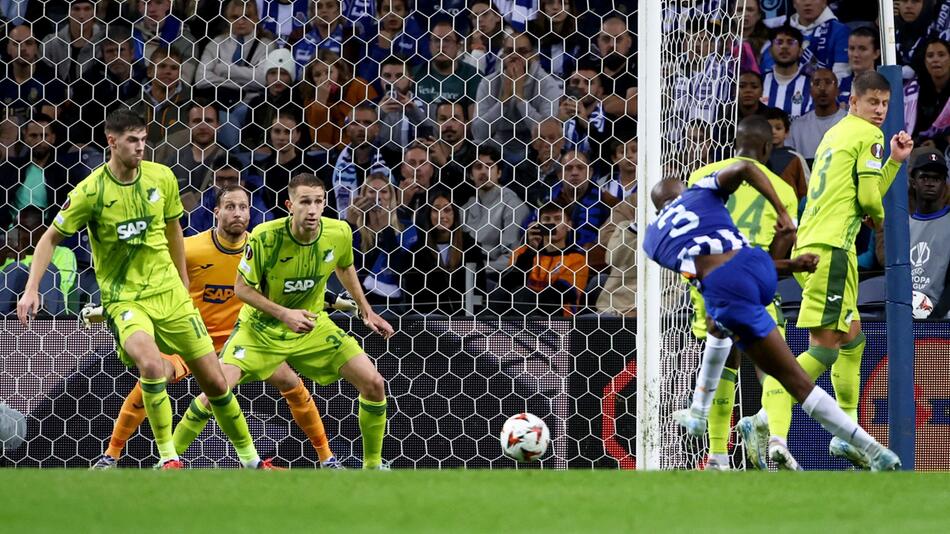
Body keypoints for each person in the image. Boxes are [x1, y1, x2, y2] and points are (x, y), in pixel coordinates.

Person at [16, 109, 268, 470]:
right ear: (112, 141)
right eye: (132, 140)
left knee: (215, 382)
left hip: (170, 295)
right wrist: (31, 289)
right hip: (125, 298)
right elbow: (49, 238)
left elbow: (173, 231)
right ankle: (168, 458)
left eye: (144, 139)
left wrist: (182, 279)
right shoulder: (91, 191)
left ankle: (251, 461)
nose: (140, 147)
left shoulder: (162, 177)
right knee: (151, 366)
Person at [643, 134, 901, 473]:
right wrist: (783, 216)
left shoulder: (652, 238)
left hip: (724, 286)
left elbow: (708, 273)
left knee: (772, 363)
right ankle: (700, 417)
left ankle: (702, 418)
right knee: (738, 339)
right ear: (682, 191)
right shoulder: (699, 192)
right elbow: (745, 168)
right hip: (758, 265)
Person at [91, 184, 347, 469]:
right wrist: (106, 309)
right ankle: (111, 456)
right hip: (188, 339)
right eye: (230, 207)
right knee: (151, 379)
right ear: (216, 212)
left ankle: (327, 458)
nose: (238, 213)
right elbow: (150, 284)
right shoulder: (190, 249)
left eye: (243, 207)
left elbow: (290, 286)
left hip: (240, 341)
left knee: (291, 382)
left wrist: (337, 302)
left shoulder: (262, 247)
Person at [173, 173, 395, 469]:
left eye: (318, 202)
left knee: (374, 383)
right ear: (290, 205)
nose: (313, 209)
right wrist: (284, 314)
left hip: (312, 326)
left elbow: (344, 266)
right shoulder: (265, 236)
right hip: (260, 329)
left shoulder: (339, 231)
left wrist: (366, 310)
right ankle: (167, 460)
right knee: (215, 390)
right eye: (305, 202)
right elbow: (241, 288)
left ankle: (372, 466)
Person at [753, 71, 914, 470]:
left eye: (884, 104)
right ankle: (762, 418)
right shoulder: (869, 136)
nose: (879, 110)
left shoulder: (837, 133)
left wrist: (893, 162)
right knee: (824, 348)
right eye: (872, 102)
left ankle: (848, 433)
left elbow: (860, 185)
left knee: (853, 338)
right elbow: (868, 198)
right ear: (854, 102)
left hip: (811, 243)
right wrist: (878, 216)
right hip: (834, 249)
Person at [676, 116, 798, 471]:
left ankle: (716, 456)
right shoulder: (782, 189)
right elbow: (783, 245)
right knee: (772, 365)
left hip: (709, 279)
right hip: (753, 276)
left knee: (723, 362)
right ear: (767, 148)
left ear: (735, 144)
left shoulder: (701, 176)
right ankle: (777, 439)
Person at [471, 31, 561, 163]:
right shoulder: (488, 83)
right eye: (509, 51)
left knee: (549, 146)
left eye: (522, 51)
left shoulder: (547, 84)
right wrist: (504, 101)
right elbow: (478, 133)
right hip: (497, 149)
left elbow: (547, 133)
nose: (514, 56)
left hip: (533, 149)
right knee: (476, 145)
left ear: (532, 55)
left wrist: (520, 100)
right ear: (502, 55)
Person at [499, 202, 590, 317]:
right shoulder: (522, 252)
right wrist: (531, 251)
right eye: (546, 219)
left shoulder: (577, 259)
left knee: (524, 294)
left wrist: (530, 296)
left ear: (569, 225)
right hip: (520, 310)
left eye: (558, 218)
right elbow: (507, 286)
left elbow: (563, 293)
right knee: (504, 294)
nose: (552, 223)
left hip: (558, 318)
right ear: (538, 224)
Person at [404, 188, 483, 315]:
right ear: (429, 214)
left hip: (464, 321)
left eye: (447, 210)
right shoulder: (418, 251)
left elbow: (479, 290)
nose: (442, 215)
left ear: (455, 214)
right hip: (430, 320)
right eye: (436, 210)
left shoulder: (470, 247)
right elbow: (413, 295)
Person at [461, 144, 530, 272]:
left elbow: (511, 257)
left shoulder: (514, 206)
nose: (483, 171)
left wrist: (475, 272)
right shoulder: (465, 209)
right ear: (470, 175)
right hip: (466, 274)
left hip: (496, 278)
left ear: (499, 172)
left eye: (489, 166)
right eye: (478, 167)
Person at [1, 206, 77, 315]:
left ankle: (42, 320)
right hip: (10, 312)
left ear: (42, 232)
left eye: (24, 229)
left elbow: (63, 288)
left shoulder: (63, 253)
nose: (17, 233)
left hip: (50, 311)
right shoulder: (7, 254)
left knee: (47, 269)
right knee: (15, 269)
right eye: (16, 227)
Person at [908, 147, 950, 319]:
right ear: (913, 182)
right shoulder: (902, 226)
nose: (930, 183)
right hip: (906, 313)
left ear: (944, 185)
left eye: (936, 178)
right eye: (924, 177)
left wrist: (935, 316)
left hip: (943, 316)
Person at [761, 0, 850, 80]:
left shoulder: (840, 31)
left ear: (824, 2)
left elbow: (841, 75)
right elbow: (767, 69)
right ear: (794, 3)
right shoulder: (779, 31)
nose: (807, 3)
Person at [788, 67, 847, 164]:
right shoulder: (797, 127)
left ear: (837, 91)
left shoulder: (849, 122)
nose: (822, 88)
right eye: (816, 83)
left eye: (828, 82)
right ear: (810, 92)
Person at [762, 25, 813, 119]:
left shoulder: (811, 85)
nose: (784, 46)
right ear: (770, 51)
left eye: (790, 42)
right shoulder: (760, 82)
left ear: (801, 51)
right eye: (779, 42)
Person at [764, 107, 810, 201]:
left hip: (790, 211)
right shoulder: (757, 157)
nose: (773, 132)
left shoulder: (796, 158)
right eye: (768, 128)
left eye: (778, 128)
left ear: (787, 132)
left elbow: (806, 190)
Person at [838, 26, 881, 106]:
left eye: (862, 49)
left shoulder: (885, 86)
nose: (855, 54)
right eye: (852, 48)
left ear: (876, 53)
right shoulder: (839, 85)